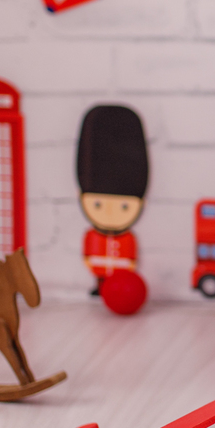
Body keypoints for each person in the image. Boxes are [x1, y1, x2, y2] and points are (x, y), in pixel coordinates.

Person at [76, 105, 149, 296]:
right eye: (97, 205)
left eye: (125, 206)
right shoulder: (93, 237)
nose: (109, 213)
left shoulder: (128, 238)